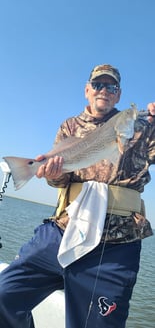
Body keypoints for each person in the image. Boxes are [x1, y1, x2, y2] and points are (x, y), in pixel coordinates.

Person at [0, 64, 155, 328]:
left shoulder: (140, 127)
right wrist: (51, 172)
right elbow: (59, 181)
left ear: (118, 95)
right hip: (63, 229)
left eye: (111, 87)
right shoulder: (69, 127)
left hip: (117, 241)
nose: (104, 90)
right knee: (4, 296)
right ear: (87, 90)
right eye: (98, 85)